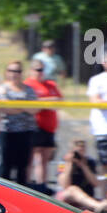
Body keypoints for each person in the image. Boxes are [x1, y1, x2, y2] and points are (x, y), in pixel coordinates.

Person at [0, 61, 38, 186]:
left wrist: (15, 104)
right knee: (6, 165)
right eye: (12, 71)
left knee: (22, 166)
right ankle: (3, 193)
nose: (14, 74)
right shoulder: (2, 88)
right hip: (7, 131)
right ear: (7, 72)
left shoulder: (29, 89)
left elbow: (34, 109)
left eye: (18, 71)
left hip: (26, 131)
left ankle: (20, 195)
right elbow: (4, 108)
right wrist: (24, 105)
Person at [24, 58, 62, 186]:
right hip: (35, 126)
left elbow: (59, 101)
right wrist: (48, 102)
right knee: (32, 159)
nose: (40, 72)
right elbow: (31, 105)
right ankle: (28, 183)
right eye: (37, 70)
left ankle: (42, 185)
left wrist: (41, 102)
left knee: (45, 160)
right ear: (31, 70)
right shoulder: (28, 84)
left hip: (50, 127)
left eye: (42, 70)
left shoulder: (50, 84)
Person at [55, 139, 107, 213]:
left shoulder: (89, 162)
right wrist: (69, 164)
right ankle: (97, 206)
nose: (79, 155)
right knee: (73, 189)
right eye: (77, 152)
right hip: (67, 196)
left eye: (82, 151)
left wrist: (84, 166)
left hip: (87, 198)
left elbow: (96, 183)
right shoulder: (63, 162)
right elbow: (65, 185)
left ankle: (97, 206)